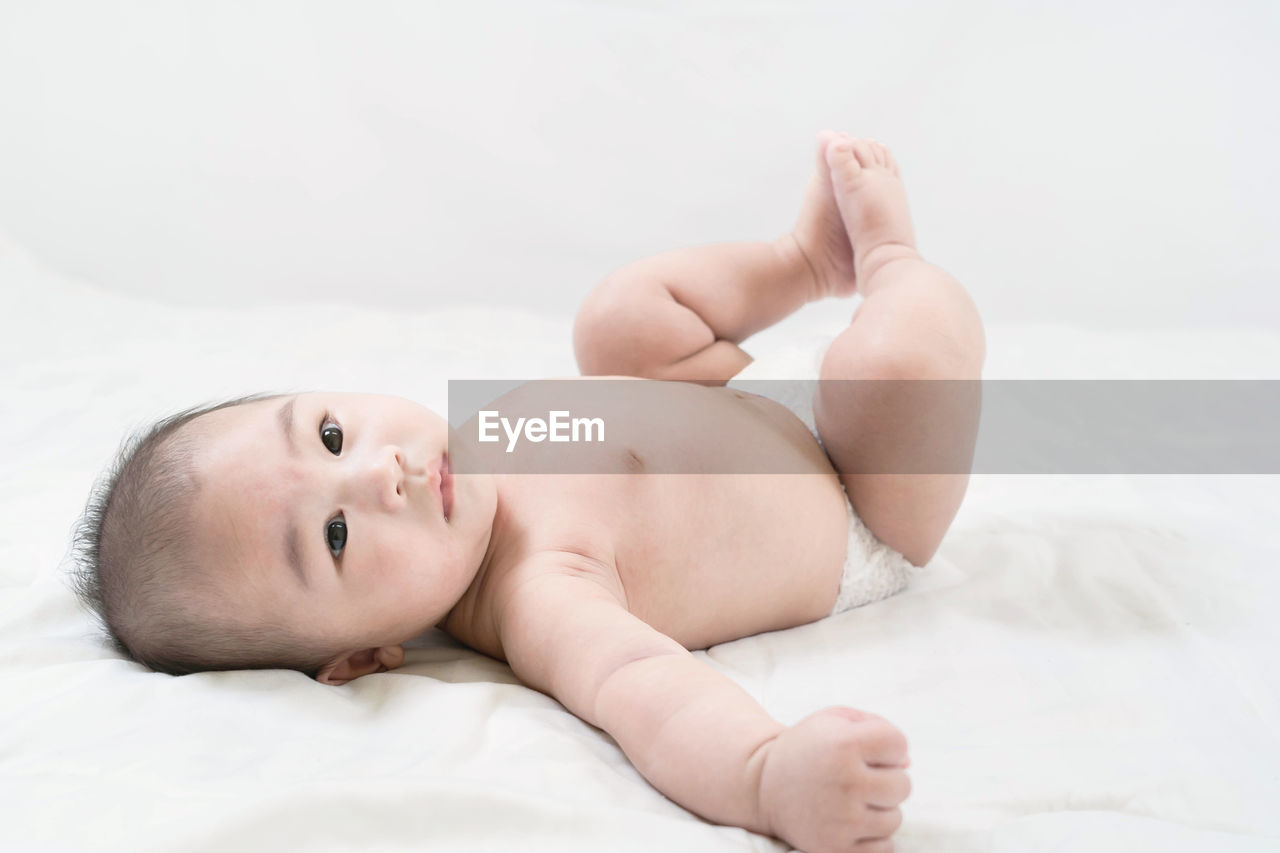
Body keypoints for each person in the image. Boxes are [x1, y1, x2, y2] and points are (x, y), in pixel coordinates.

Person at [71, 131, 985, 852]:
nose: (377, 473)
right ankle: (892, 262)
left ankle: (803, 260)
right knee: (890, 360)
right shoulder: (538, 592)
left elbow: (631, 404)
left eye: (331, 435)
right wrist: (767, 774)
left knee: (615, 320)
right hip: (857, 501)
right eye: (337, 536)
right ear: (358, 657)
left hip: (758, 413)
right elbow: (652, 697)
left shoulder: (484, 439)